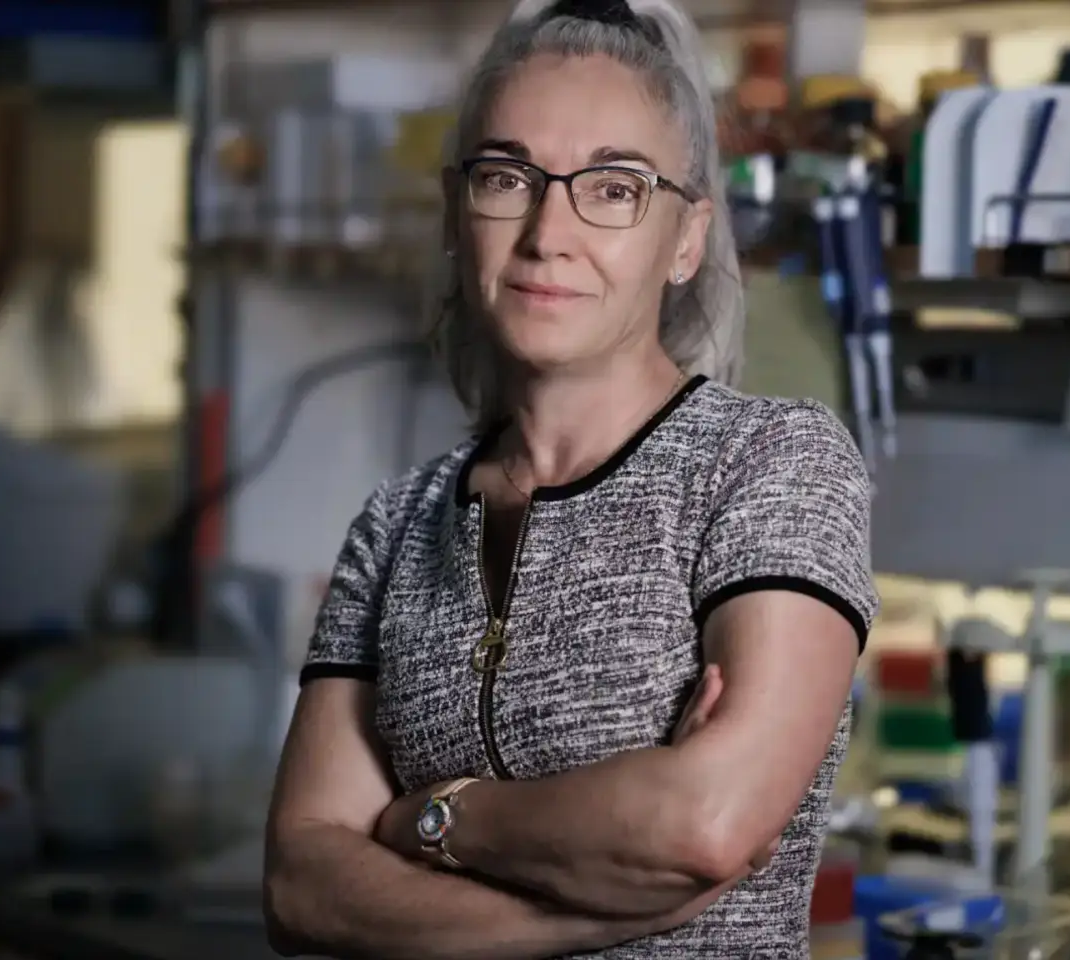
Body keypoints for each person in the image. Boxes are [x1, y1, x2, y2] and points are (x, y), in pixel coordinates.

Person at [262, 0, 877, 956]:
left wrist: (433, 819)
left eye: (615, 187)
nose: (550, 232)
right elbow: (302, 885)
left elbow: (707, 823)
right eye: (508, 177)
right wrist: (585, 908)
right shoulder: (397, 524)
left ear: (684, 240)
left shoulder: (771, 464)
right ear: (457, 214)